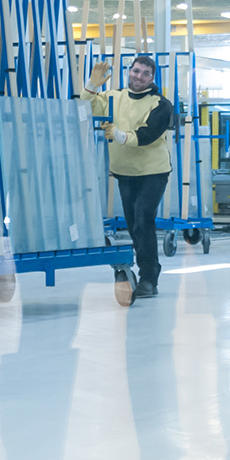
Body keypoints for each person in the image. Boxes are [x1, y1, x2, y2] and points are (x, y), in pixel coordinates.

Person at [83, 55, 174, 299]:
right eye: (136, 71)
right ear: (129, 71)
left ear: (152, 78)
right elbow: (86, 107)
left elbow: (148, 134)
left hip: (153, 172)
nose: (139, 76)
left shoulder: (161, 104)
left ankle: (149, 279)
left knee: (143, 220)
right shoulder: (114, 97)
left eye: (145, 73)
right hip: (125, 171)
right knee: (134, 224)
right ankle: (144, 272)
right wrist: (91, 86)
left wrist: (121, 136)